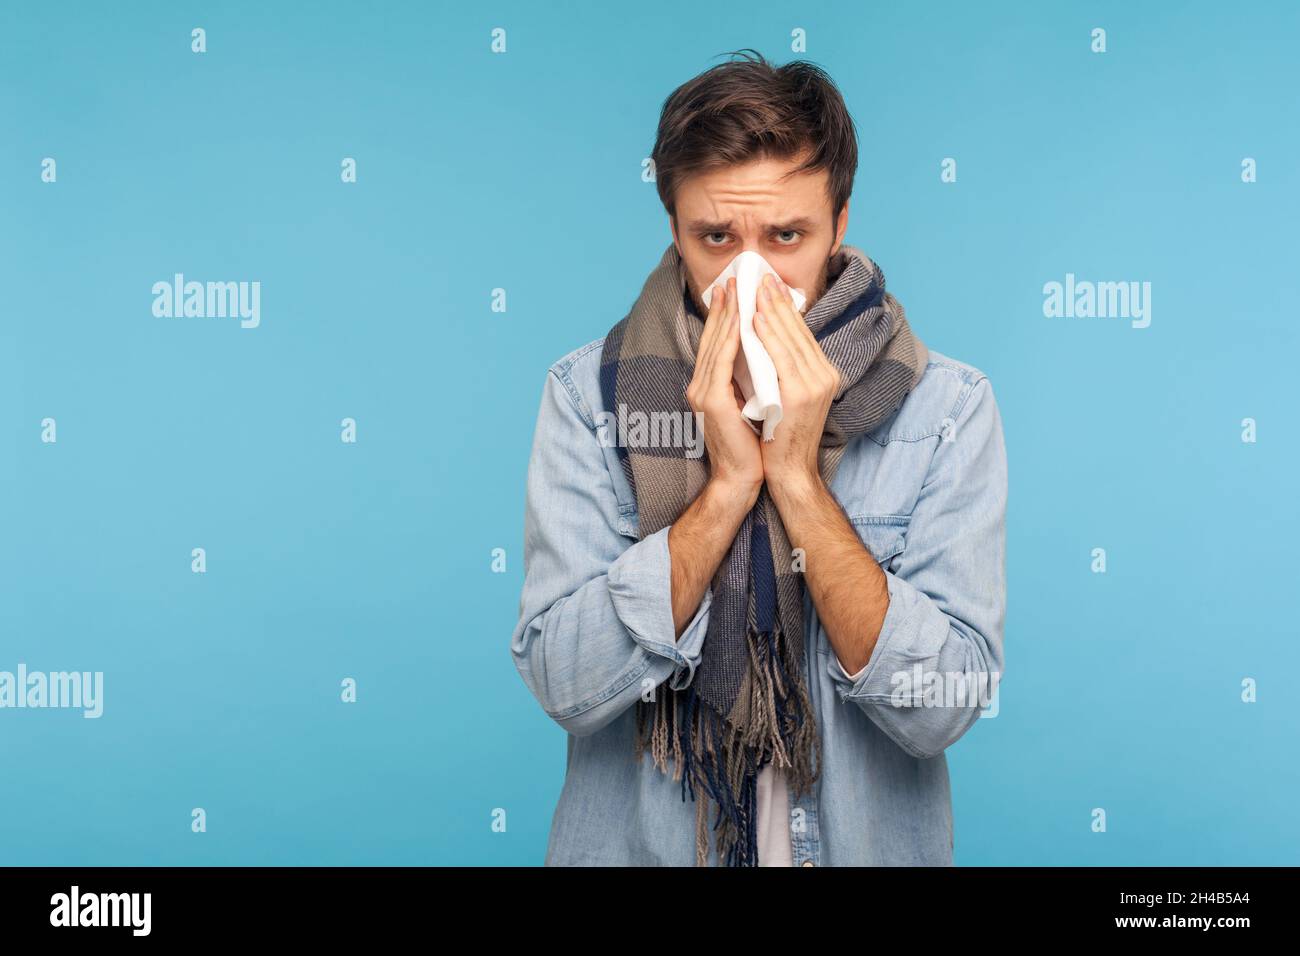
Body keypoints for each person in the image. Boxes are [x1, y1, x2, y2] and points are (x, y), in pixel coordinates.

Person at [510, 49, 1007, 866]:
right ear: (674, 230)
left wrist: (796, 479)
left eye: (786, 235)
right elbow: (566, 681)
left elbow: (940, 704)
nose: (753, 275)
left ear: (840, 225)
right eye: (717, 237)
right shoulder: (588, 399)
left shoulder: (945, 408)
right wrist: (729, 486)